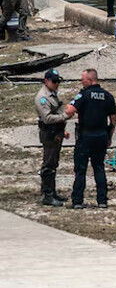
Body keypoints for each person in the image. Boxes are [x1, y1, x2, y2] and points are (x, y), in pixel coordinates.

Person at [64, 69, 116, 209]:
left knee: (81, 169)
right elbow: (113, 120)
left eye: (83, 80)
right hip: (101, 136)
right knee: (99, 168)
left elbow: (69, 110)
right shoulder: (108, 96)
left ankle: (77, 200)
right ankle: (102, 200)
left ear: (90, 80)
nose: (82, 82)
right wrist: (109, 137)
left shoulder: (84, 94)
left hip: (85, 136)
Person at [34, 69, 73, 207]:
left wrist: (63, 128)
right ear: (46, 81)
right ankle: (47, 194)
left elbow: (57, 110)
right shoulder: (42, 97)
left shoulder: (52, 94)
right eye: (54, 81)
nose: (57, 84)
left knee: (54, 163)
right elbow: (48, 118)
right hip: (49, 133)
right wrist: (65, 117)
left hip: (56, 132)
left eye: (58, 81)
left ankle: (52, 191)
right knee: (49, 164)